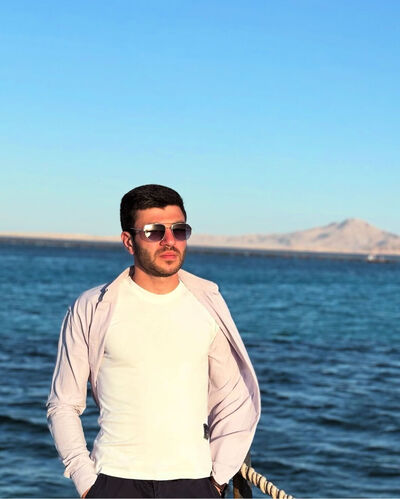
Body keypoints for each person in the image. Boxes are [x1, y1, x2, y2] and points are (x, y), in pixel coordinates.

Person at [47, 184, 260, 498]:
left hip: (195, 483)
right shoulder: (92, 307)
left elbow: (233, 398)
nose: (169, 240)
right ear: (128, 241)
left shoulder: (209, 305)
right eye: (154, 232)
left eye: (179, 230)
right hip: (113, 481)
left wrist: (216, 481)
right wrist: (87, 482)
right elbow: (63, 403)